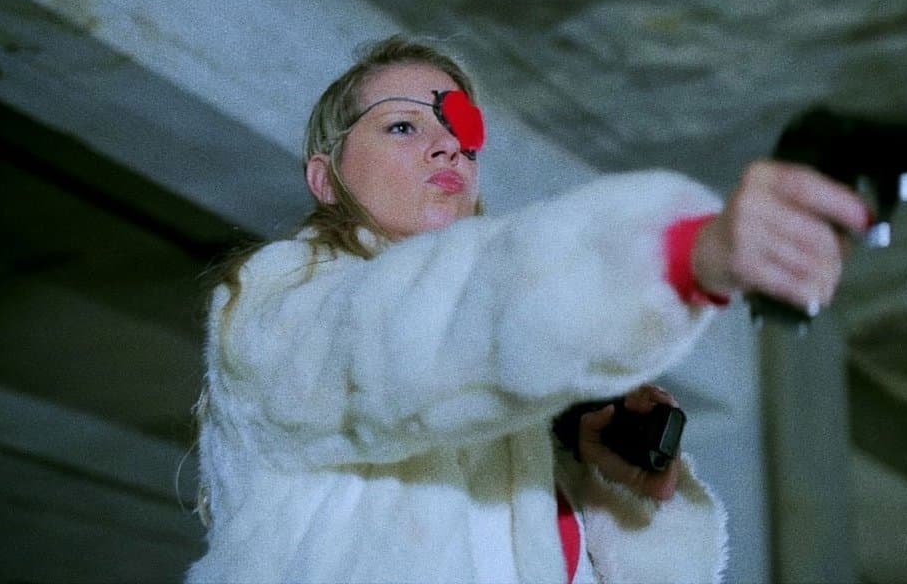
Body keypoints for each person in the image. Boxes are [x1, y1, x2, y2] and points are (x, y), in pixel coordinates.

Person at [186, 35, 870, 583]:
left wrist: (616, 492)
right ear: (325, 177)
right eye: (402, 126)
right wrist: (682, 252)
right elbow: (408, 332)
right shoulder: (276, 317)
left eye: (461, 129)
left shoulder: (513, 425)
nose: (447, 145)